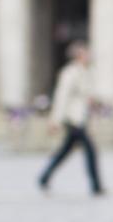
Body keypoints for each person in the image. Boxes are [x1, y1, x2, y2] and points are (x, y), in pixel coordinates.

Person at [37, 41, 105, 196]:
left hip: (81, 118)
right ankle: (96, 186)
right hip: (73, 119)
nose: (89, 56)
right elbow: (61, 97)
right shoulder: (69, 73)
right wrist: (55, 120)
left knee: (64, 152)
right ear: (79, 55)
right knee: (90, 151)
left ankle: (44, 177)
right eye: (86, 53)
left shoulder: (86, 72)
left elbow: (87, 95)